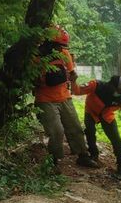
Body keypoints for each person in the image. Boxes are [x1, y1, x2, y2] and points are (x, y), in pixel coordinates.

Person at [33, 25, 98, 171]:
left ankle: (83, 155)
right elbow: (32, 80)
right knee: (56, 130)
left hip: (64, 97)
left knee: (75, 126)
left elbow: (71, 73)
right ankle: (53, 160)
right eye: (58, 46)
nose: (60, 49)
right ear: (48, 43)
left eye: (62, 46)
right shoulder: (35, 57)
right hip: (45, 99)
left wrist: (73, 78)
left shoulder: (64, 54)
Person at [71, 76, 121, 180]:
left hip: (107, 116)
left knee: (116, 140)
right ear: (111, 86)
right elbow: (77, 91)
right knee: (90, 131)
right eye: (118, 90)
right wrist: (73, 80)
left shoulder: (120, 99)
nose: (119, 93)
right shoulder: (95, 85)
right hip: (91, 111)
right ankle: (93, 155)